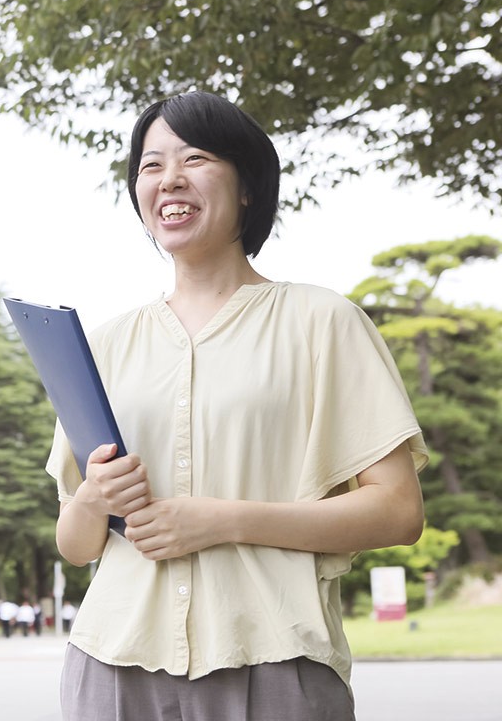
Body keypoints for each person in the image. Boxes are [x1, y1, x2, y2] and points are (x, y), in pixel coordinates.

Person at [49, 91, 427, 721]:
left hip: (272, 657)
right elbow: (76, 543)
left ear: (247, 186)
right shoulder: (106, 343)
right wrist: (92, 498)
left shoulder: (321, 321)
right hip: (111, 664)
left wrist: (222, 520)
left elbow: (397, 510)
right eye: (150, 164)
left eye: (195, 157)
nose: (170, 177)